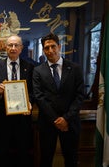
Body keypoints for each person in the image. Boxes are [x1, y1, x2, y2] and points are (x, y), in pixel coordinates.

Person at [32, 33, 85, 167]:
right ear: (43, 50)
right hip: (48, 123)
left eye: (53, 46)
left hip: (70, 122)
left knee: (71, 159)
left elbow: (80, 95)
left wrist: (66, 119)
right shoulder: (38, 71)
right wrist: (56, 120)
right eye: (46, 48)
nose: (50, 51)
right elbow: (39, 97)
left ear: (59, 47)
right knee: (46, 159)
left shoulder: (75, 68)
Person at [0, 35, 34, 167]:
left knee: (23, 154)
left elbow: (34, 91)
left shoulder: (30, 67)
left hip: (23, 119)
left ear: (21, 48)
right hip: (2, 119)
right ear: (6, 47)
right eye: (10, 45)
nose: (13, 48)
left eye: (16, 45)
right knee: (1, 154)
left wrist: (29, 102)